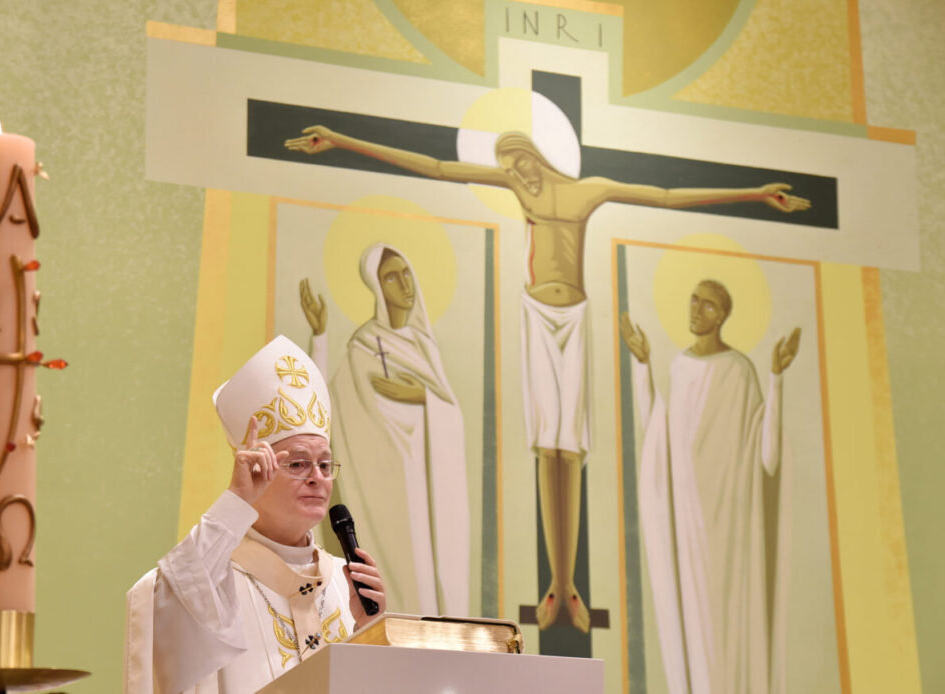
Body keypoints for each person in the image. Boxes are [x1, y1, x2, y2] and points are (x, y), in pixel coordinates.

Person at [285, 125, 811, 632]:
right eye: (511, 169)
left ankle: (567, 582)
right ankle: (556, 588)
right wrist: (339, 142)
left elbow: (664, 196)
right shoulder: (517, 187)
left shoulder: (588, 192)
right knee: (546, 445)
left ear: (537, 157)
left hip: (575, 317)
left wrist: (756, 194)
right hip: (536, 316)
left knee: (572, 448)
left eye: (523, 164)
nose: (520, 176)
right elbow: (438, 168)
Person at [124, 335, 387, 694]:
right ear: (258, 472)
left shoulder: (347, 586)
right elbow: (166, 601)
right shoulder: (216, 582)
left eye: (325, 464)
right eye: (298, 463)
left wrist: (370, 632)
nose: (317, 477)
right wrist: (236, 501)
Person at [620, 280, 800, 694]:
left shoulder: (739, 371)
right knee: (695, 628)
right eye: (694, 300)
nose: (696, 308)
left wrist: (776, 377)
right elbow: (657, 438)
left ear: (721, 316)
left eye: (707, 305)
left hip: (732, 531)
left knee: (728, 628)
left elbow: (765, 453)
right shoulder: (680, 368)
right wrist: (643, 365)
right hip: (688, 524)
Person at [300, 242, 469, 617]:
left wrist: (422, 395)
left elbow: (452, 416)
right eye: (391, 277)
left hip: (430, 493)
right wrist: (321, 336)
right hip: (387, 495)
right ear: (376, 286)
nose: (404, 284)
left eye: (406, 273)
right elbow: (324, 407)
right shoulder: (363, 347)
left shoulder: (424, 345)